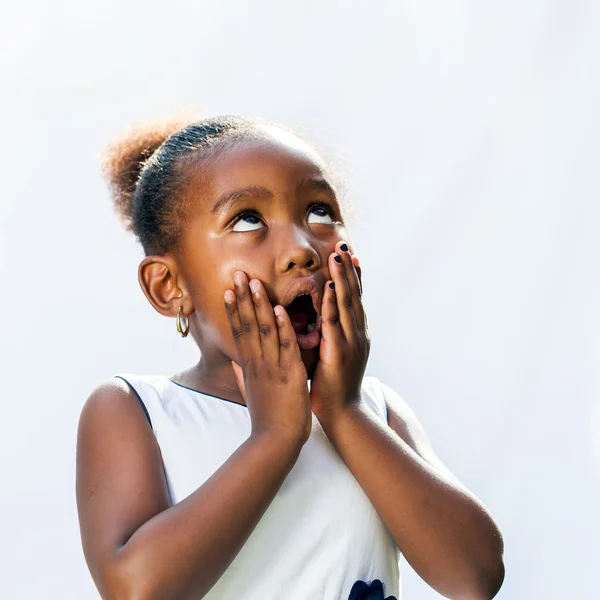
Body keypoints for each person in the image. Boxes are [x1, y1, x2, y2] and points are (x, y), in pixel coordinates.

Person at [76, 115, 505, 600]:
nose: (301, 250)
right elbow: (136, 589)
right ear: (169, 286)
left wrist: (342, 412)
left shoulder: (374, 409)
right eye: (248, 219)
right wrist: (274, 437)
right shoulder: (135, 411)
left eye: (319, 212)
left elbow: (475, 576)